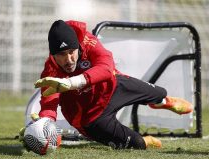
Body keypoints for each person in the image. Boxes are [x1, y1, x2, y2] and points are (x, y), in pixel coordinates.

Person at [33, 20, 193, 149]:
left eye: (71, 52)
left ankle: (162, 102)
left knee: (160, 92)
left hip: (112, 88)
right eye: (61, 54)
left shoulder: (88, 42)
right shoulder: (50, 71)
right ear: (53, 55)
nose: (68, 60)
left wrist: (71, 83)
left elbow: (106, 68)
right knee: (138, 145)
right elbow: (49, 105)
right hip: (91, 118)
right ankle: (145, 140)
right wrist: (43, 125)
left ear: (78, 46)